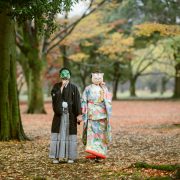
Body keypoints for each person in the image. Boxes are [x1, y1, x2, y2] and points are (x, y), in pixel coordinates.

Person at [49, 67, 82, 164]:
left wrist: (79, 114)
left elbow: (77, 102)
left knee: (70, 135)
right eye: (63, 78)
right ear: (60, 77)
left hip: (70, 115)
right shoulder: (56, 87)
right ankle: (56, 157)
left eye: (67, 78)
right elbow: (54, 97)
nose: (65, 80)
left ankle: (70, 157)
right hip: (59, 115)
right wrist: (62, 88)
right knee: (58, 134)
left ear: (70, 77)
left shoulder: (74, 88)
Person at [81, 71, 112, 162]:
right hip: (91, 113)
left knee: (101, 134)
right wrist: (84, 111)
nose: (98, 79)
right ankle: (93, 153)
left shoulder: (104, 88)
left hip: (102, 114)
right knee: (92, 133)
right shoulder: (88, 88)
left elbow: (109, 100)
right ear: (92, 78)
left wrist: (104, 88)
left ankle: (100, 153)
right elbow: (83, 100)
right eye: (96, 78)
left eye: (99, 78)